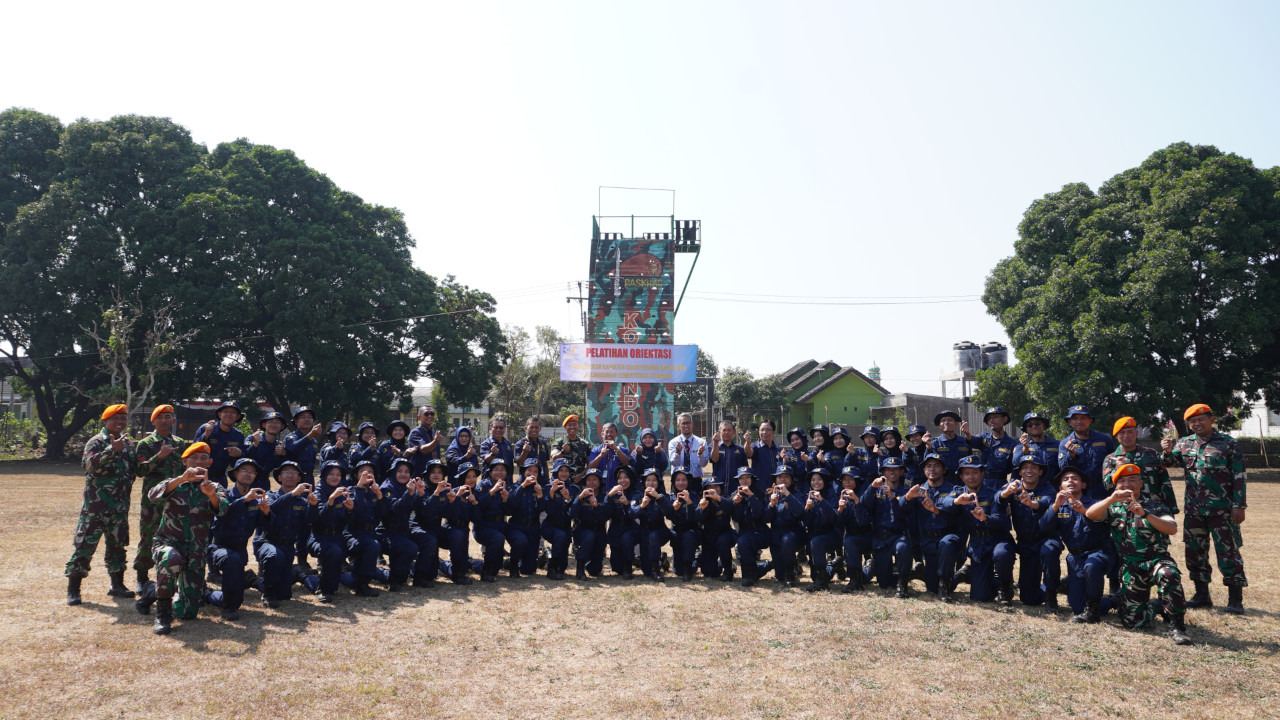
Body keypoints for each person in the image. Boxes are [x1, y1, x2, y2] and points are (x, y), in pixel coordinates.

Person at [1086, 463, 1192, 645]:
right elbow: (1090, 514)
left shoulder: (1155, 505)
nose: (1127, 484)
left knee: (1169, 574)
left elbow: (1172, 529)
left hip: (1157, 560)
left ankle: (1177, 626)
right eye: (1122, 481)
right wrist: (1111, 499)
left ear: (1141, 483)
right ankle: (1157, 606)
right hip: (1132, 566)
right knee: (1132, 623)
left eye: (1132, 480)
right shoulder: (1113, 507)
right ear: (1116, 486)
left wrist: (1145, 514)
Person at [1161, 403, 1248, 614]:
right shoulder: (1184, 443)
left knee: (1228, 553)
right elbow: (1170, 463)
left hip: (1223, 511)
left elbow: (1239, 476)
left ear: (1211, 419)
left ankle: (1235, 600)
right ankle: (1202, 595)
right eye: (1192, 421)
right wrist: (1166, 451)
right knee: (1195, 553)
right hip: (1194, 510)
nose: (1197, 424)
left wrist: (1239, 506)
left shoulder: (1227, 443)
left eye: (1201, 419)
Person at [140, 442, 223, 635]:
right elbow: (153, 496)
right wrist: (181, 479)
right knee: (171, 559)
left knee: (187, 613)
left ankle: (152, 591)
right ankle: (162, 614)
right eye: (193, 458)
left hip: (196, 550)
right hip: (168, 543)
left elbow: (223, 509)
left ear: (209, 462)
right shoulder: (173, 483)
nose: (198, 462)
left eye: (203, 458)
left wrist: (212, 496)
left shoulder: (215, 487)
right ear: (184, 461)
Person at [66, 404, 138, 606]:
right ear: (106, 421)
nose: (120, 422)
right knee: (84, 547)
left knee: (117, 547)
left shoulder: (128, 443)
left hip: (120, 507)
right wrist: (110, 450)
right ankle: (74, 590)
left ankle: (117, 585)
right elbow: (87, 465)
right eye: (115, 418)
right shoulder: (96, 442)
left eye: (123, 419)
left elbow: (133, 470)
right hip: (95, 508)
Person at [1040, 465, 1116, 623]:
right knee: (1077, 607)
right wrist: (1055, 506)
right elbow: (1043, 527)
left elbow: (1102, 522)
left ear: (1083, 484)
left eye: (1075, 478)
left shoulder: (1095, 503)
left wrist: (1084, 511)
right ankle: (1114, 601)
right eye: (1065, 479)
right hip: (1075, 558)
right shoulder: (1058, 507)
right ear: (1060, 486)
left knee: (1092, 565)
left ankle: (1094, 610)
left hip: (1098, 553)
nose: (1070, 481)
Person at [941, 456, 1015, 604]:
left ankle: (1005, 586)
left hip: (998, 539)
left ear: (982, 473)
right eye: (966, 473)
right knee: (980, 597)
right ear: (961, 476)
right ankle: (972, 574)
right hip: (978, 544)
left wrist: (985, 518)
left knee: (1002, 554)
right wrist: (957, 501)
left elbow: (1001, 520)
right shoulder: (958, 491)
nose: (971, 476)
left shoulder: (993, 492)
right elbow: (945, 503)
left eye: (975, 472)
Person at [132, 404, 187, 596]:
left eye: (167, 417)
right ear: (153, 421)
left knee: (176, 537)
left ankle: (173, 577)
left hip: (176, 499)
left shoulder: (180, 443)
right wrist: (159, 456)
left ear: (173, 420)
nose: (164, 421)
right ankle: (142, 578)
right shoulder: (145, 444)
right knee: (148, 535)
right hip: (153, 500)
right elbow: (140, 471)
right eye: (159, 417)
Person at [204, 458, 267, 619]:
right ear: (235, 474)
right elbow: (223, 513)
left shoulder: (257, 499)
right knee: (231, 563)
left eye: (252, 472)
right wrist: (244, 500)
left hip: (239, 553)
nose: (248, 474)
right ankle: (227, 608)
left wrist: (267, 512)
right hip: (219, 549)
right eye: (244, 470)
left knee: (237, 600)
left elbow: (264, 525)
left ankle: (208, 594)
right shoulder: (223, 494)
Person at [253, 461, 318, 605]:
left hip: (288, 547)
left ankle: (294, 572)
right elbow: (272, 509)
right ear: (279, 477)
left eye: (295, 473)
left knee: (283, 595)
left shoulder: (302, 501)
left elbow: (309, 521)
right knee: (274, 556)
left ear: (299, 478)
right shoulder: (270, 495)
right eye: (286, 472)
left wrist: (313, 506)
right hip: (267, 542)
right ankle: (267, 593)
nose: (291, 475)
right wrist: (292, 494)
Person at [1002, 457, 1060, 609]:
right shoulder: (1013, 487)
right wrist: (1005, 496)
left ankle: (1051, 595)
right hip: (1026, 544)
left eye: (1034, 467)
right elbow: (997, 498)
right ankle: (1057, 586)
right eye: (1025, 467)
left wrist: (1031, 503)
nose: (1029, 471)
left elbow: (1046, 502)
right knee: (1028, 599)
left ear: (1040, 472)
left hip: (1045, 539)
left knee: (1050, 551)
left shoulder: (1048, 488)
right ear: (1020, 472)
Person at [904, 454, 961, 602]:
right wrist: (908, 498)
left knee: (946, 544)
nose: (932, 469)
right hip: (929, 541)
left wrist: (936, 508)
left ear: (943, 470)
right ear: (923, 470)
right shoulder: (918, 491)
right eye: (928, 466)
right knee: (931, 588)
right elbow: (902, 510)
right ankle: (955, 576)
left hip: (948, 538)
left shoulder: (954, 489)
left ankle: (945, 587)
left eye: (936, 465)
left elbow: (955, 511)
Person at [378, 457, 435, 591]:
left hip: (405, 529)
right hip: (387, 531)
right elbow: (395, 509)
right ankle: (394, 579)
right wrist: (409, 494)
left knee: (428, 540)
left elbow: (419, 509)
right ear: (393, 472)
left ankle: (420, 577)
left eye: (407, 471)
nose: (403, 474)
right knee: (410, 547)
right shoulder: (387, 487)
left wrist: (420, 494)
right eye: (400, 471)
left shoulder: (409, 487)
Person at [861, 456, 913, 598]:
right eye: (888, 470)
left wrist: (891, 496)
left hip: (898, 535)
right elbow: (864, 504)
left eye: (896, 469)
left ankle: (903, 584)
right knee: (884, 583)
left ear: (901, 471)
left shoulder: (906, 492)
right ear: (883, 472)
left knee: (903, 547)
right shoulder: (876, 490)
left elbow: (903, 514)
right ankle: (907, 574)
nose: (892, 472)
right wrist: (872, 486)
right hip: (880, 538)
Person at [1103, 417, 1178, 512]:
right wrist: (1116, 471)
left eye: (1130, 432)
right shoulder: (1110, 459)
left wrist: (1170, 509)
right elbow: (1107, 486)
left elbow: (1165, 481)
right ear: (1116, 436)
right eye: (1122, 432)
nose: (1126, 435)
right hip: (1125, 511)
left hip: (1154, 508)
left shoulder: (1151, 454)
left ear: (1136, 433)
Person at [310, 461, 355, 602]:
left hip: (338, 536)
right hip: (319, 537)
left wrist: (350, 510)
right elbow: (319, 520)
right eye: (331, 474)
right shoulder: (317, 493)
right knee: (333, 552)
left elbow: (346, 521)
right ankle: (321, 588)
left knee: (354, 583)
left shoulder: (343, 492)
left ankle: (337, 576)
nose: (335, 477)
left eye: (338, 475)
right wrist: (330, 502)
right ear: (323, 475)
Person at [345, 460, 389, 596]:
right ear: (356, 475)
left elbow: (384, 514)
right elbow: (355, 511)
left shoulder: (374, 493)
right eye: (362, 472)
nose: (366, 474)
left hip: (370, 532)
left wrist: (380, 495)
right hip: (353, 533)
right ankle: (363, 585)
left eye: (370, 471)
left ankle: (361, 576)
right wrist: (359, 487)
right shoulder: (351, 491)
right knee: (373, 546)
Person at [1058, 405, 1116, 499]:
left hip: (1103, 489)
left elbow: (1113, 462)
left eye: (1083, 418)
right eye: (1075, 418)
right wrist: (1071, 455)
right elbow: (1063, 468)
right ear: (1070, 422)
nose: (1079, 421)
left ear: (1090, 420)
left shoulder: (1104, 439)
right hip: (1079, 492)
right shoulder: (1064, 443)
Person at [765, 467, 806, 588]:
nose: (783, 479)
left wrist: (788, 495)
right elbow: (766, 519)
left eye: (786, 477)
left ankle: (790, 574)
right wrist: (771, 504)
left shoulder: (797, 494)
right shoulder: (770, 494)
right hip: (776, 533)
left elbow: (800, 513)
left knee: (787, 541)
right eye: (780, 477)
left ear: (792, 480)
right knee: (779, 576)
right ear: (775, 479)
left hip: (794, 532)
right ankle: (793, 565)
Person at [505, 458, 545, 577]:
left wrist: (540, 495)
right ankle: (512, 564)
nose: (532, 474)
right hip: (516, 527)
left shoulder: (539, 488)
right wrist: (523, 486)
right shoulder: (514, 486)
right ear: (523, 471)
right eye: (529, 470)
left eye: (535, 471)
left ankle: (510, 563)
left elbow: (541, 509)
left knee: (528, 570)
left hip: (533, 528)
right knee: (520, 541)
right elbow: (511, 506)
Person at [732, 467, 771, 587]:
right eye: (741, 478)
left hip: (760, 530)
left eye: (747, 477)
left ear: (752, 479)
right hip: (744, 530)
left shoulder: (760, 493)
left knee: (744, 542)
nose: (744, 480)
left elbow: (760, 515)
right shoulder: (735, 495)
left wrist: (751, 497)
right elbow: (737, 518)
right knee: (742, 541)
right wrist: (736, 504)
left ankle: (759, 570)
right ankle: (753, 573)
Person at [472, 458, 510, 582]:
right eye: (496, 470)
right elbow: (478, 505)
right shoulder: (483, 485)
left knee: (497, 568)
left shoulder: (506, 486)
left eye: (502, 470)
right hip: (484, 525)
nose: (500, 473)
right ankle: (485, 571)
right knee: (497, 538)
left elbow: (510, 511)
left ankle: (475, 564)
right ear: (490, 472)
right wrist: (492, 492)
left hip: (500, 525)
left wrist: (506, 500)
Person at [541, 459, 579, 580]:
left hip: (566, 527)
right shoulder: (547, 487)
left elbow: (574, 513)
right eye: (561, 470)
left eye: (566, 471)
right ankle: (551, 569)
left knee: (562, 567)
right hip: (550, 526)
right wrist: (552, 493)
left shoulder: (574, 489)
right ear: (555, 472)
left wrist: (568, 499)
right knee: (560, 536)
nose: (564, 473)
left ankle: (546, 555)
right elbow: (547, 510)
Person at [804, 468, 841, 593]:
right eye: (813, 479)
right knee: (815, 576)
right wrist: (807, 509)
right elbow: (806, 522)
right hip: (813, 534)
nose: (816, 482)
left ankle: (821, 583)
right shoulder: (808, 496)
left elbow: (832, 518)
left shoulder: (832, 495)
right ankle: (833, 566)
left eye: (819, 479)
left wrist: (822, 501)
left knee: (817, 542)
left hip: (831, 533)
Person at [193, 401, 246, 487]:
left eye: (232, 412)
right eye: (225, 412)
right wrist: (206, 435)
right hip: (200, 476)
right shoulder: (206, 428)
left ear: (238, 416)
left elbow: (235, 464)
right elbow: (193, 452)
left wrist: (239, 454)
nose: (229, 414)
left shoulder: (238, 436)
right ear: (219, 414)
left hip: (220, 479)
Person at [570, 468, 609, 579]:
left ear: (600, 482)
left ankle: (588, 561)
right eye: (589, 480)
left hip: (599, 534)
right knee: (589, 536)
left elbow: (604, 517)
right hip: (583, 531)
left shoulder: (604, 497)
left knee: (594, 571)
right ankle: (580, 567)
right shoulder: (580, 495)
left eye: (595, 479)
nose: (591, 482)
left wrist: (596, 507)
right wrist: (579, 498)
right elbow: (572, 513)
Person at [635, 468, 672, 582]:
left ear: (659, 482)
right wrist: (642, 506)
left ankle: (656, 570)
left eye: (654, 480)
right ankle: (661, 559)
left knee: (654, 537)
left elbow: (669, 512)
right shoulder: (638, 496)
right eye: (648, 480)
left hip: (660, 531)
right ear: (644, 482)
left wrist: (658, 497)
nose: (651, 483)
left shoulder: (663, 496)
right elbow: (631, 513)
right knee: (646, 571)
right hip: (644, 532)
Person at [696, 476, 736, 581]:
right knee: (710, 573)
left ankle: (728, 569)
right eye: (710, 487)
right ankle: (717, 563)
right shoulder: (703, 502)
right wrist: (702, 509)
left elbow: (731, 508)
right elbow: (697, 518)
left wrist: (718, 498)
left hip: (725, 534)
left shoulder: (724, 500)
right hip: (709, 537)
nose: (714, 489)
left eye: (716, 486)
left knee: (722, 541)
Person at [604, 467, 642, 578]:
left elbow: (634, 513)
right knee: (616, 568)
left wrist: (627, 504)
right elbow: (605, 512)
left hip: (630, 528)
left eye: (626, 477)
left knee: (627, 538)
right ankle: (628, 562)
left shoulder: (636, 494)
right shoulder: (613, 493)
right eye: (620, 478)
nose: (623, 480)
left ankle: (628, 566)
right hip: (616, 528)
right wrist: (609, 496)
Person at [241, 411, 287, 490]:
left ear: (282, 426)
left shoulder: (279, 446)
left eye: (277, 423)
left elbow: (278, 467)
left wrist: (283, 454)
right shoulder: (252, 438)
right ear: (264, 425)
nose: (274, 425)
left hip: (264, 483)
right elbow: (243, 459)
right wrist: (254, 445)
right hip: (247, 482)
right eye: (270, 422)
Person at [975, 407, 1018, 491]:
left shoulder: (1012, 443)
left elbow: (1015, 467)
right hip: (982, 484)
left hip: (1000, 485)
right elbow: (971, 441)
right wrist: (967, 434)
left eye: (995, 417)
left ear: (1004, 419)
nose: (992, 420)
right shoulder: (983, 438)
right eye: (989, 418)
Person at [929, 411, 979, 483]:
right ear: (939, 425)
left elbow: (971, 462)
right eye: (943, 420)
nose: (947, 422)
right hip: (943, 483)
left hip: (963, 483)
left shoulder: (965, 442)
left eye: (950, 420)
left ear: (956, 424)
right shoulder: (935, 443)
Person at [667, 413, 710, 492]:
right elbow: (674, 463)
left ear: (692, 424)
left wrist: (700, 455)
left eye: (688, 423)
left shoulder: (701, 442)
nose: (686, 426)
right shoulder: (673, 443)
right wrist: (678, 453)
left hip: (695, 481)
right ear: (678, 426)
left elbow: (703, 464)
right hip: (679, 482)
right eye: (683, 423)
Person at [1012, 412, 1059, 482]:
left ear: (1044, 425)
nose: (1034, 426)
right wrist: (1025, 449)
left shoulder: (1057, 445)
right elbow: (1015, 464)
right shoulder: (1020, 446)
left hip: (1052, 487)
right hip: (1030, 487)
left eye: (1037, 423)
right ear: (1026, 429)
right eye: (1029, 425)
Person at [284, 406, 324, 483]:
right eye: (303, 417)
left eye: (309, 417)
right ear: (296, 421)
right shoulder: (290, 437)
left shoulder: (314, 441)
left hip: (309, 479)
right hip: (294, 479)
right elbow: (294, 448)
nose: (307, 419)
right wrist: (311, 435)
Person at [405, 406, 447, 477]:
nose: (430, 416)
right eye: (426, 414)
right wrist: (435, 441)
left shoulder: (433, 432)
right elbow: (423, 450)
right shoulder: (415, 433)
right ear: (419, 417)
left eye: (432, 414)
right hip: (420, 475)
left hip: (433, 475)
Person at [745, 420, 784, 494]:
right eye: (762, 430)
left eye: (768, 430)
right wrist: (747, 442)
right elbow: (748, 453)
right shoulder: (756, 447)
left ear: (773, 432)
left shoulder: (779, 449)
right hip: (759, 489)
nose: (764, 432)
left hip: (776, 489)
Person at [588, 422, 631, 489]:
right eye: (607, 432)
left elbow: (627, 463)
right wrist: (601, 455)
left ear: (616, 434)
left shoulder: (623, 450)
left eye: (612, 432)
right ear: (602, 434)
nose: (609, 434)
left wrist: (616, 449)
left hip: (617, 488)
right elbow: (590, 467)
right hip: (600, 489)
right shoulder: (596, 450)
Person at [708, 420, 748, 489]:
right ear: (719, 432)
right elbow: (714, 459)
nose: (726, 432)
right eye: (724, 430)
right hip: (718, 488)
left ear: (734, 432)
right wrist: (715, 443)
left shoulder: (740, 449)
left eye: (729, 430)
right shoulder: (713, 446)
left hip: (735, 489)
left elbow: (745, 470)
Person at [551, 414, 591, 481]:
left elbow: (590, 464)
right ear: (565, 427)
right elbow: (554, 458)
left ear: (578, 426)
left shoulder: (585, 444)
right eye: (569, 425)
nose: (572, 427)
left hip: (580, 480)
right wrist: (563, 452)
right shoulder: (558, 442)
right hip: (562, 480)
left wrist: (580, 476)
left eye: (574, 424)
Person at [513, 417, 551, 482]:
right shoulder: (520, 444)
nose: (534, 430)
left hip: (542, 481)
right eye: (531, 427)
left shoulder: (543, 443)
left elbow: (545, 463)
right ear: (526, 428)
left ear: (540, 429)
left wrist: (547, 478)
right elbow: (519, 464)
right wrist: (524, 452)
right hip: (527, 481)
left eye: (536, 427)